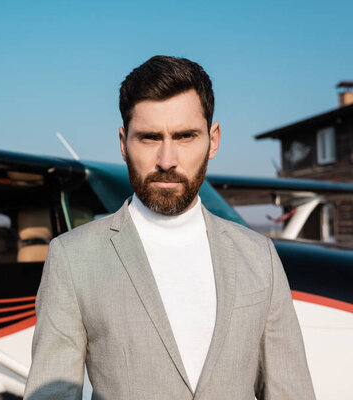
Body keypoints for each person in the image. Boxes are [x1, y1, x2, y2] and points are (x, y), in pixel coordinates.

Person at [24, 56, 315, 399]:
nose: (166, 161)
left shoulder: (259, 255)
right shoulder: (72, 258)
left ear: (213, 139)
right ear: (123, 143)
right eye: (148, 138)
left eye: (185, 136)